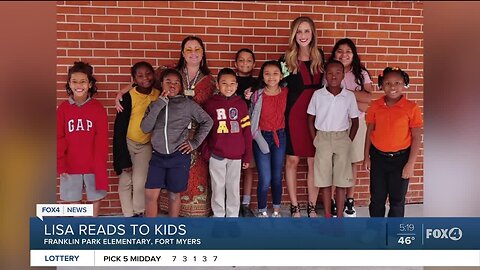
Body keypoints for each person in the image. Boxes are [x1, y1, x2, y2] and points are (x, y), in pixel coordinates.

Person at [115, 36, 216, 217]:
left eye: (197, 49)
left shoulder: (210, 80)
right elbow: (143, 81)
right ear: (182, 53)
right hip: (161, 147)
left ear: (203, 52)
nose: (193, 53)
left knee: (179, 188)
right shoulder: (169, 73)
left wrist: (195, 142)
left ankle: (176, 223)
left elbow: (209, 117)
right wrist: (123, 92)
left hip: (188, 142)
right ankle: (153, 230)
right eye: (188, 49)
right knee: (154, 190)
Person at [140, 68, 213, 217]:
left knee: (174, 195)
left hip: (178, 157)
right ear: (162, 84)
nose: (172, 85)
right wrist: (159, 104)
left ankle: (172, 230)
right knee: (150, 195)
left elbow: (208, 121)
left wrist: (194, 143)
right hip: (158, 157)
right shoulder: (154, 104)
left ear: (181, 86)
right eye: (168, 82)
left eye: (176, 82)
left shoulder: (187, 104)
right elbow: (145, 128)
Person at [363, 67, 422, 217]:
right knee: (377, 198)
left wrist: (411, 163)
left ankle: (394, 233)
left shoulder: (412, 108)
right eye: (388, 83)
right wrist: (366, 157)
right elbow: (369, 131)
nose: (393, 87)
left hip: (401, 160)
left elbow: (416, 137)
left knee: (397, 200)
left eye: (397, 83)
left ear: (404, 84)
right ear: (381, 85)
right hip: (378, 159)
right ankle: (375, 230)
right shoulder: (375, 105)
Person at [281, 16, 325, 217]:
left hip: (317, 115)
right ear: (293, 34)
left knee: (314, 162)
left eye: (307, 31)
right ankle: (294, 206)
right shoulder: (287, 58)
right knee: (292, 160)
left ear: (313, 33)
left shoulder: (320, 57)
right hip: (294, 115)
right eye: (299, 31)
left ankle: (311, 206)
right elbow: (276, 84)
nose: (303, 35)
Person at [307, 60, 360, 218]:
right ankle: (328, 215)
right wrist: (315, 139)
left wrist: (348, 141)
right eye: (330, 73)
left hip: (341, 138)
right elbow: (310, 119)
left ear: (343, 75)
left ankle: (340, 217)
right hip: (322, 137)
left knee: (342, 180)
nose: (334, 76)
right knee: (324, 180)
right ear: (325, 75)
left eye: (338, 72)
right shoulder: (318, 95)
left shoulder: (349, 96)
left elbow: (355, 122)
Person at [328, 38, 373, 217]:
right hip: (335, 124)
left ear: (353, 54)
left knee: (353, 161)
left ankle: (350, 200)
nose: (344, 54)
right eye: (340, 50)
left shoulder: (360, 73)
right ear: (334, 54)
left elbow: (369, 99)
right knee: (334, 162)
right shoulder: (330, 72)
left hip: (357, 123)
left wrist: (347, 94)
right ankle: (331, 199)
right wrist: (357, 100)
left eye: (348, 51)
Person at [57, 61, 108, 217]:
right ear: (69, 84)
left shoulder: (97, 108)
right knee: (74, 198)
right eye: (74, 81)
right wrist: (60, 163)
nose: (79, 85)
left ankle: (92, 226)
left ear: (90, 84)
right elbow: (58, 137)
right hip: (71, 163)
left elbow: (102, 138)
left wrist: (100, 162)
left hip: (93, 162)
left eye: (83, 81)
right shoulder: (63, 108)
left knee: (96, 195)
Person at [203, 68, 253, 217]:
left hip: (236, 155)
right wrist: (206, 152)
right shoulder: (210, 104)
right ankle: (218, 216)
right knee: (217, 187)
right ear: (217, 85)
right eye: (224, 83)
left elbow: (246, 132)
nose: (228, 87)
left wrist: (247, 155)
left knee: (233, 188)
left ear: (237, 86)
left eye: (232, 83)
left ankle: (232, 217)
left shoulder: (241, 104)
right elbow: (204, 129)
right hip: (216, 154)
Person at [113, 61, 160, 217]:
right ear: (133, 79)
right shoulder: (127, 97)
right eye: (139, 76)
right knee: (126, 181)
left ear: (153, 75)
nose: (145, 78)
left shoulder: (158, 94)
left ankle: (138, 212)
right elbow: (119, 129)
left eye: (148, 74)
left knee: (140, 182)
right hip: (127, 142)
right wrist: (123, 157)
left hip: (145, 145)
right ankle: (128, 215)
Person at [250, 60, 288, 218]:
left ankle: (277, 209)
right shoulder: (257, 95)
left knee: (277, 176)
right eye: (267, 73)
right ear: (262, 76)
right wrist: (258, 138)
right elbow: (251, 119)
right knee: (265, 177)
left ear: (281, 76)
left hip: (280, 136)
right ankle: (262, 210)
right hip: (261, 136)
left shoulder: (286, 92)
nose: (271, 77)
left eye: (275, 73)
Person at [234, 48, 257, 217]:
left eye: (249, 60)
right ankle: (233, 204)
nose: (245, 63)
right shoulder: (229, 81)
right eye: (241, 60)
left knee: (249, 167)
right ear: (236, 64)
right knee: (233, 168)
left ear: (254, 64)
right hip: (233, 131)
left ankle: (245, 204)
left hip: (252, 129)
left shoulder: (258, 83)